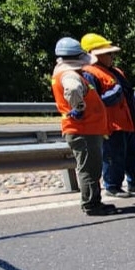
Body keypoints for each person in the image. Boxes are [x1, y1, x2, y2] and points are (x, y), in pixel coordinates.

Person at [80, 33, 135, 197]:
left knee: (132, 155)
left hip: (126, 123)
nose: (112, 56)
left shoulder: (116, 72)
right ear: (96, 55)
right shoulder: (89, 73)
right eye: (108, 53)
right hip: (111, 125)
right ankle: (112, 186)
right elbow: (94, 102)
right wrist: (112, 95)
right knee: (114, 157)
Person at [50, 37, 116, 216]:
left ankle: (94, 201)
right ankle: (91, 205)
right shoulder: (70, 75)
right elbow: (72, 90)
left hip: (84, 129)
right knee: (89, 169)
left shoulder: (62, 72)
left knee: (90, 167)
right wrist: (78, 108)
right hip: (83, 129)